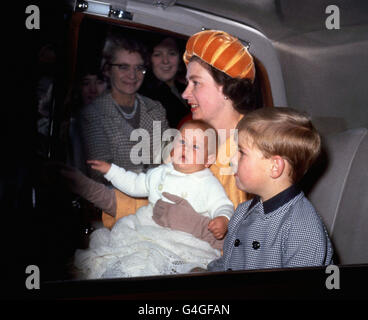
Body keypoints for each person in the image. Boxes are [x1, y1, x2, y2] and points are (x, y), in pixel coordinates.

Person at [73, 120, 233, 279]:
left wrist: (223, 218)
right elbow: (135, 184)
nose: (185, 148)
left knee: (176, 261)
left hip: (183, 239)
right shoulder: (160, 173)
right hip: (147, 226)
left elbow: (222, 204)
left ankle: (186, 271)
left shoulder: (207, 182)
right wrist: (111, 171)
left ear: (208, 160)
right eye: (182, 142)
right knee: (126, 247)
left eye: (195, 146)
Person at [206, 107, 334, 271]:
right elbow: (226, 264)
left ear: (275, 167)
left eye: (241, 152)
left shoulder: (303, 229)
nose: (231, 160)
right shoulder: (243, 211)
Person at [78, 34, 170, 184]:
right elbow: (99, 174)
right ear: (107, 70)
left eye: (139, 68)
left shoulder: (156, 109)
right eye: (123, 67)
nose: (132, 75)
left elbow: (168, 160)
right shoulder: (93, 114)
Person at [139, 36, 191, 128]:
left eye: (171, 53)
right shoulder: (146, 96)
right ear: (149, 59)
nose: (165, 61)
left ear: (180, 58)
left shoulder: (185, 88)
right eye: (157, 54)